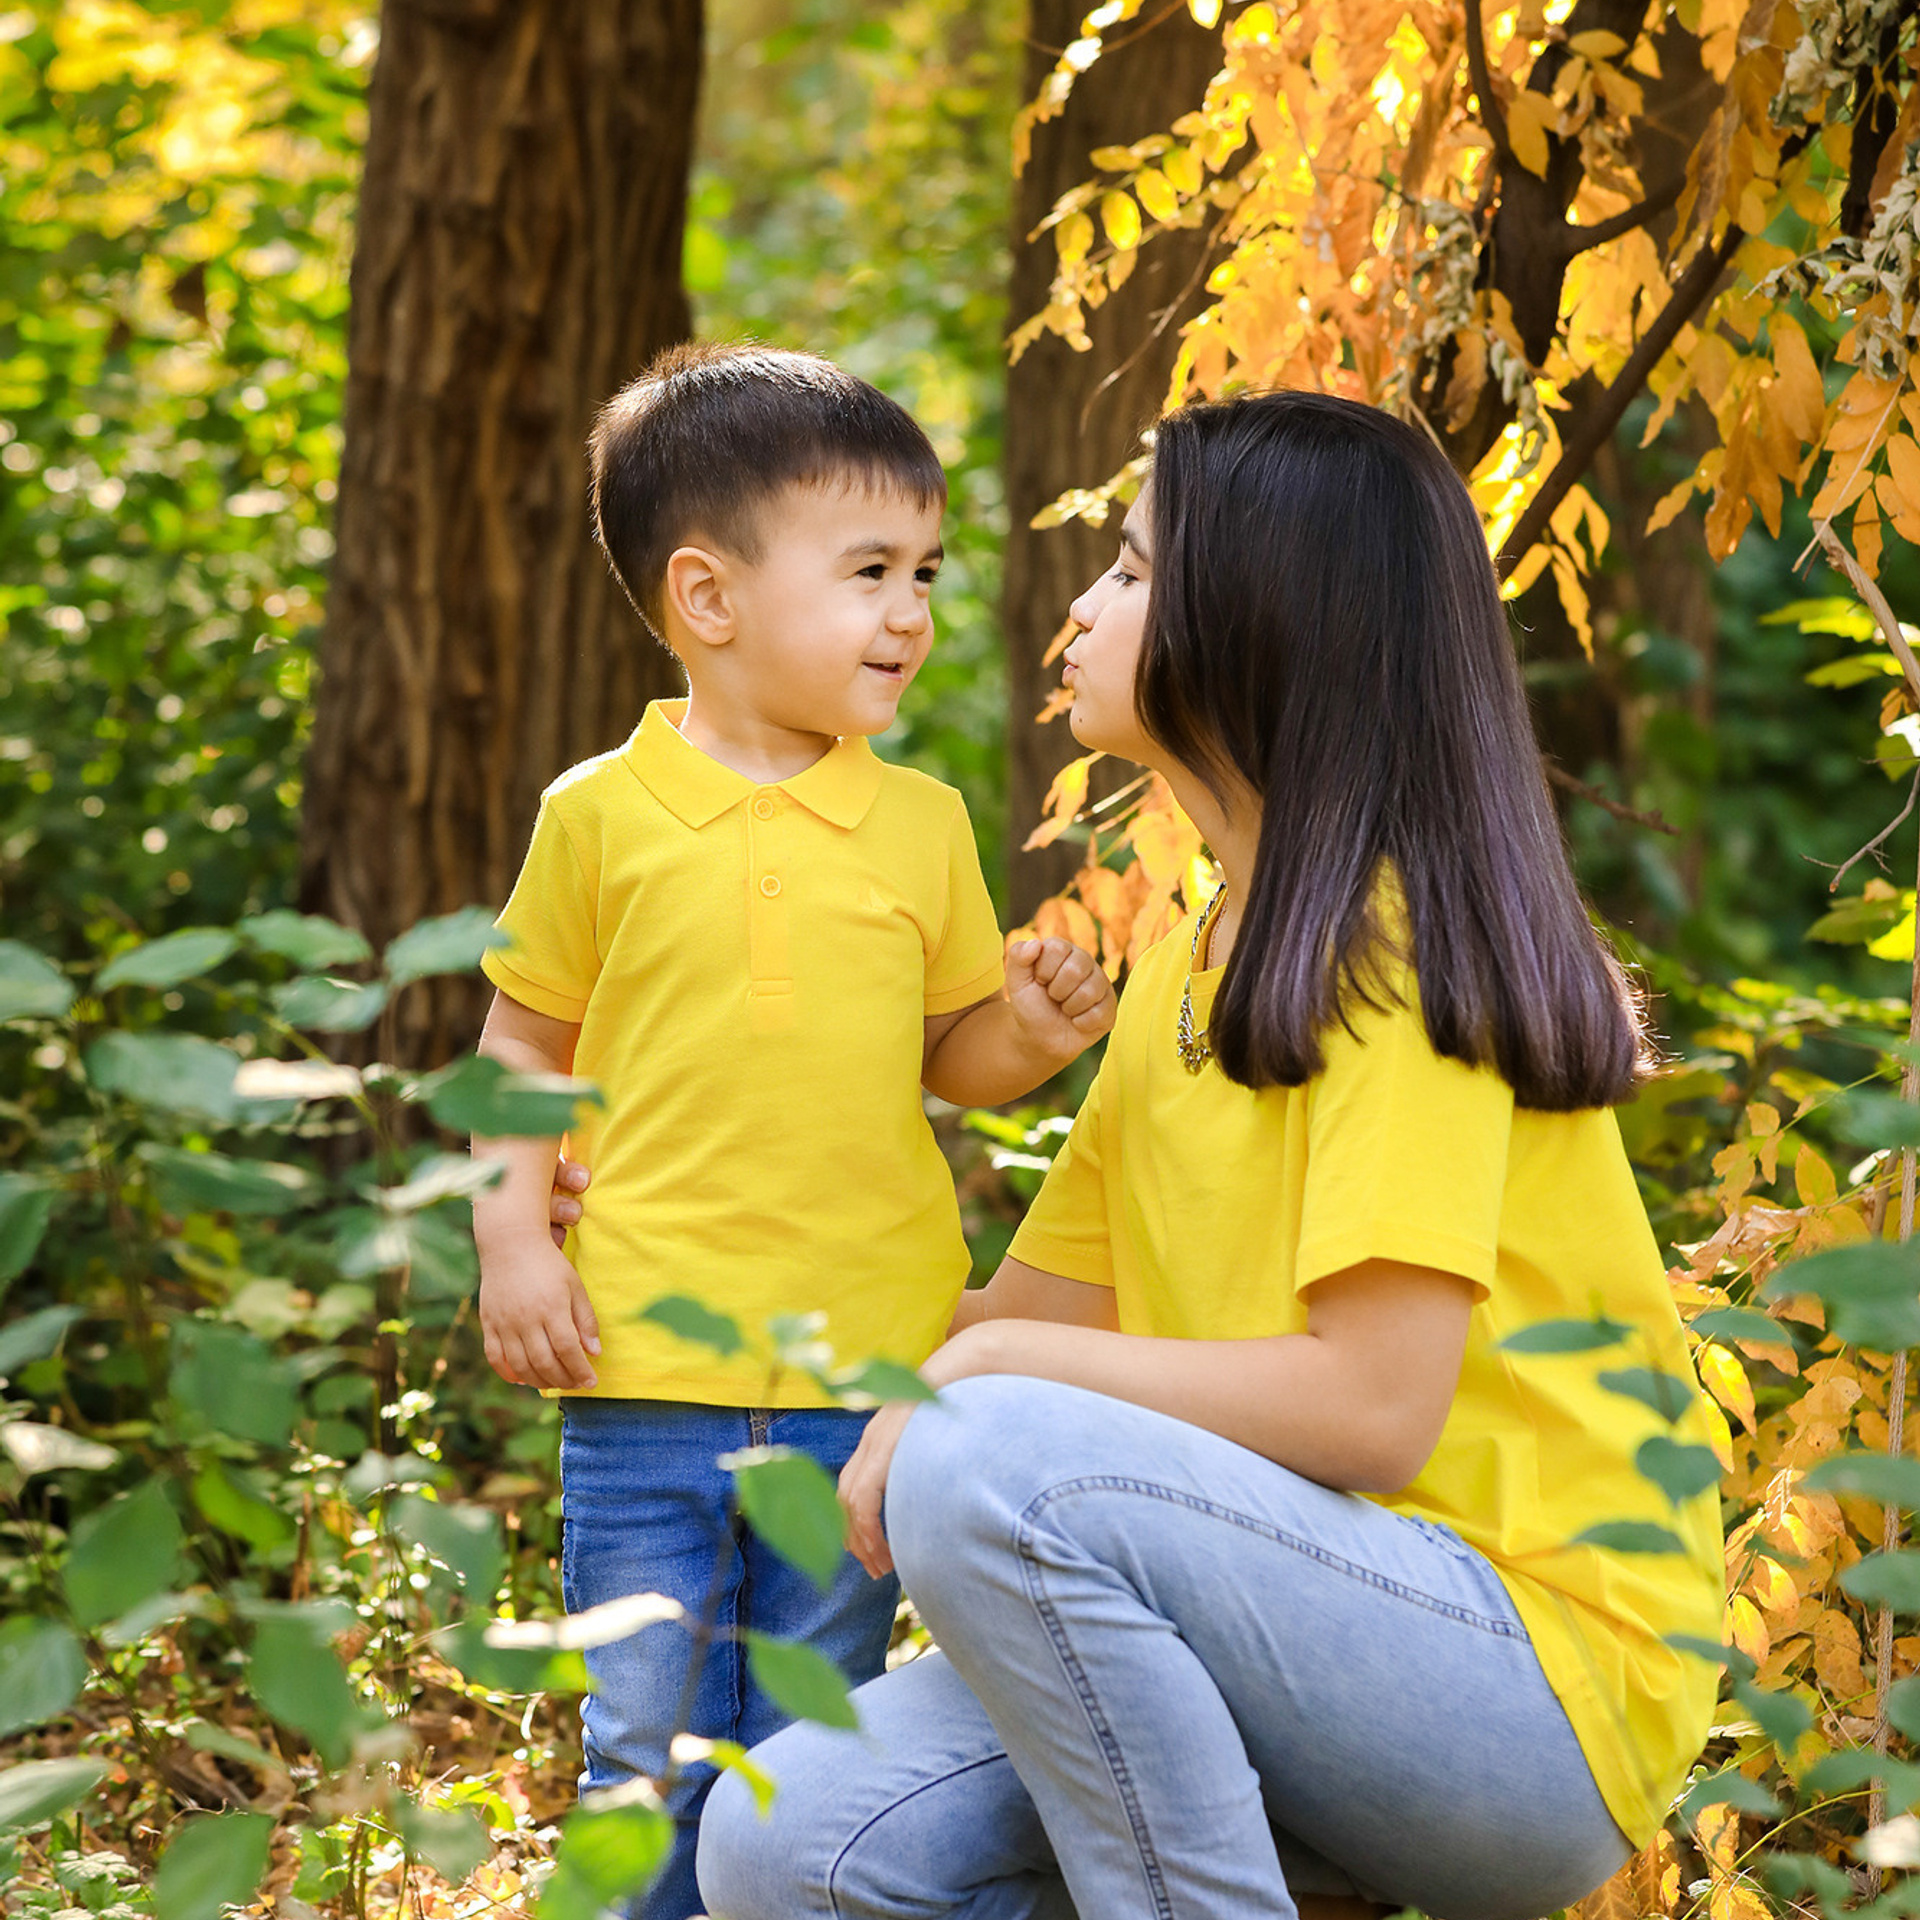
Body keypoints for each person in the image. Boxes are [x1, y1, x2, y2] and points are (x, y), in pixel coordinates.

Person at [692, 389, 1725, 1920]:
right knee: (787, 1848)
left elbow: (1372, 1412)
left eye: (1128, 568)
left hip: (1526, 1688)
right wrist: (682, 1221)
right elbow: (1002, 1329)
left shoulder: (1394, 950)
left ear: (1258, 619)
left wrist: (978, 1394)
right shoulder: (1191, 964)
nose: (1084, 608)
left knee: (990, 1457)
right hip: (1267, 1627)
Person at [471, 342, 1116, 1920]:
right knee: (642, 1745)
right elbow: (517, 1045)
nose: (914, 611)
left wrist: (1023, 1034)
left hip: (857, 1381)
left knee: (797, 1751)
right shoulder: (598, 815)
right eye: (872, 571)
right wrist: (506, 1247)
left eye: (926, 572)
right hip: (640, 1374)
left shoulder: (922, 822)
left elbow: (949, 1061)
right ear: (709, 598)